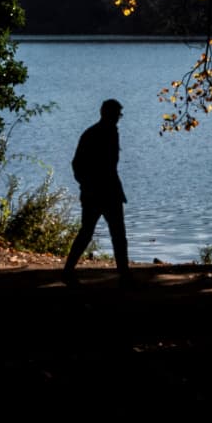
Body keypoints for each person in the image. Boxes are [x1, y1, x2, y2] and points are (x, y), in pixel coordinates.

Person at [63, 98, 128, 284]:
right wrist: (87, 184)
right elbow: (77, 164)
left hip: (108, 191)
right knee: (92, 233)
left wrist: (86, 185)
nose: (117, 119)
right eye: (116, 115)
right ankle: (68, 270)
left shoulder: (106, 133)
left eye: (118, 116)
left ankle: (124, 274)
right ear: (106, 114)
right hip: (98, 192)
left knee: (116, 235)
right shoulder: (94, 134)